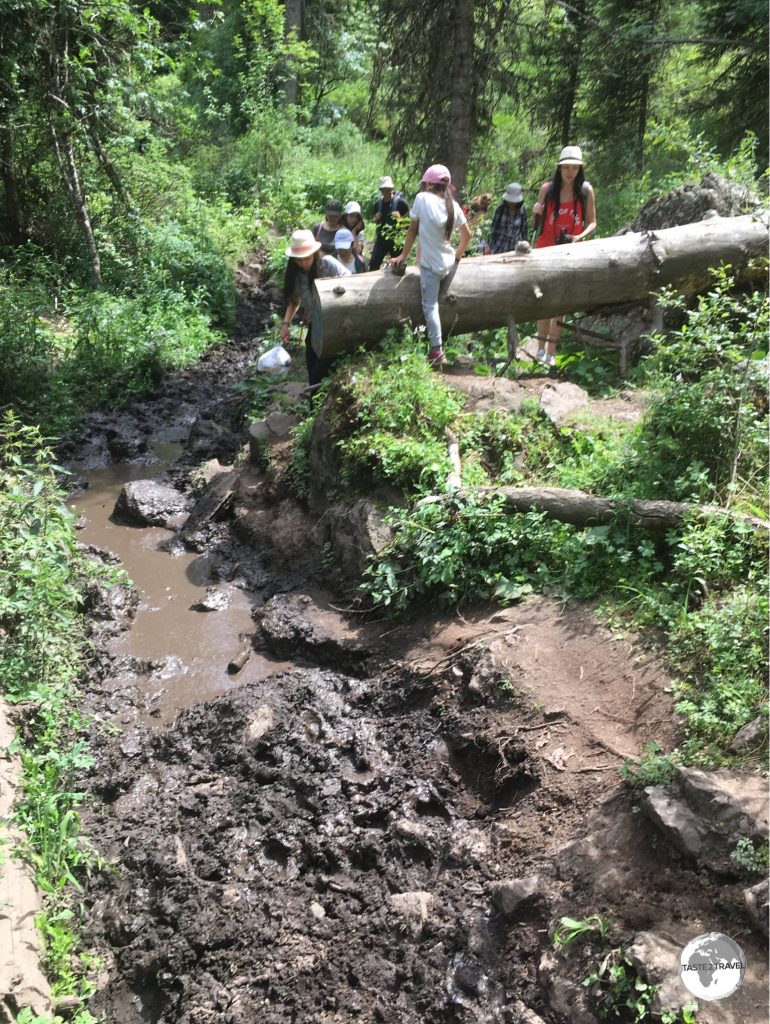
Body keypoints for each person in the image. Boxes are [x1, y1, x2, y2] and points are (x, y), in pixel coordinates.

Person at [390, 164, 472, 367]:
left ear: (427, 183)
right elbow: (467, 235)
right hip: (447, 262)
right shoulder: (452, 204)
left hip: (431, 266)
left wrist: (402, 255)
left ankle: (437, 350)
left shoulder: (422, 199)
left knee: (430, 305)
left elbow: (412, 231)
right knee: (437, 301)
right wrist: (457, 257)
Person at [531, 146, 596, 365]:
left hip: (571, 252)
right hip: (545, 249)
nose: (570, 172)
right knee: (543, 302)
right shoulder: (547, 190)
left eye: (574, 168)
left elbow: (593, 222)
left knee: (561, 305)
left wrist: (579, 236)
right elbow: (535, 226)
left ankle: (551, 353)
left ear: (580, 169)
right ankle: (539, 350)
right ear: (559, 168)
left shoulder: (586, 191)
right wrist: (535, 214)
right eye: (566, 167)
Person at [280, 229, 350, 386]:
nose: (303, 263)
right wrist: (285, 324)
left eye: (307, 259)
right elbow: (294, 302)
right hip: (315, 326)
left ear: (314, 253)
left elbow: (348, 279)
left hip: (334, 325)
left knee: (320, 371)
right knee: (311, 367)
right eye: (299, 260)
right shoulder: (295, 273)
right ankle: (313, 405)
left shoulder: (327, 264)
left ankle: (319, 403)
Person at [369, 176, 410, 271]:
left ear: (392, 189)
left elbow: (409, 222)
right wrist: (376, 218)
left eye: (388, 189)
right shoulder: (378, 204)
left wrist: (399, 218)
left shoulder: (400, 203)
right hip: (382, 238)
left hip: (396, 239)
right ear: (381, 191)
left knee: (398, 264)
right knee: (374, 262)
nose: (386, 192)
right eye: (384, 190)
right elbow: (375, 221)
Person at [487, 183, 528, 255]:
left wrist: (526, 243)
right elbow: (493, 228)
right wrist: (490, 246)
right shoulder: (500, 209)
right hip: (499, 246)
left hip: (515, 247)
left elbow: (524, 230)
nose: (512, 203)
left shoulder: (522, 211)